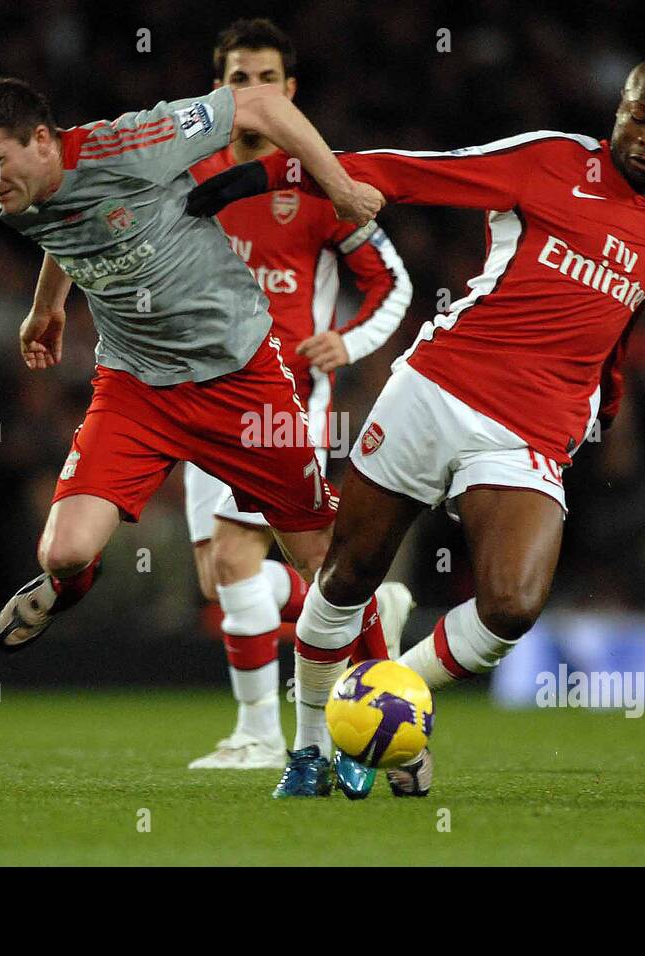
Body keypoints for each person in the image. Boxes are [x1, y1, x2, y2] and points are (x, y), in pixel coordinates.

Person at [190, 56, 645, 797]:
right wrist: (267, 177)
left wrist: (611, 400)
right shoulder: (553, 160)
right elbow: (407, 171)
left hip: (528, 432)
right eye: (639, 116)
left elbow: (614, 327)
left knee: (511, 607)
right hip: (437, 389)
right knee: (343, 577)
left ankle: (389, 699)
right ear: (618, 108)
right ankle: (308, 754)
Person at [0, 76, 406, 674]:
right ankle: (73, 586)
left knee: (323, 559)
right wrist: (48, 306)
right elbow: (69, 231)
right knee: (62, 552)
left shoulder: (132, 144)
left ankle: (385, 688)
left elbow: (263, 105)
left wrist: (340, 188)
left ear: (41, 139)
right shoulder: (16, 198)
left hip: (239, 379)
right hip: (135, 388)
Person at [183, 19, 413, 771]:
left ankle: (259, 736)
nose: (249, 93)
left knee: (236, 558)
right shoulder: (192, 176)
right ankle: (367, 602)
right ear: (217, 87)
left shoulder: (316, 183)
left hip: (277, 399)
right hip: (189, 397)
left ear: (289, 92)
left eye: (264, 80)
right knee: (221, 576)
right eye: (235, 79)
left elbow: (393, 282)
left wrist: (347, 342)